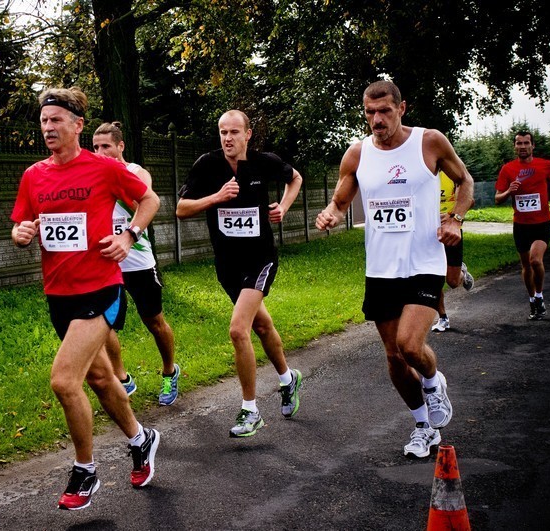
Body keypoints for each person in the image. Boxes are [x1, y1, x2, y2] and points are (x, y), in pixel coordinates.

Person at [11, 87, 161, 511]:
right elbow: (22, 223)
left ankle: (85, 471)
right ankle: (141, 439)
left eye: (56, 120)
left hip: (101, 288)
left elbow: (150, 199)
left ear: (77, 125)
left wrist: (128, 235)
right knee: (98, 378)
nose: (48, 128)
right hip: (58, 293)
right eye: (43, 121)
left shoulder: (103, 168)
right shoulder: (34, 175)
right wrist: (21, 233)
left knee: (63, 380)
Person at [315, 80, 473, 458]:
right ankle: (423, 426)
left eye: (384, 111)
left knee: (409, 344)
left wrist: (456, 218)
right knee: (394, 358)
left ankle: (434, 383)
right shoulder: (357, 155)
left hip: (424, 262)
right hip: (381, 268)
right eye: (370, 113)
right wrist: (331, 214)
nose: (376, 120)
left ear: (402, 109)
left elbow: (464, 180)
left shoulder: (429, 142)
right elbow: (340, 200)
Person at [176, 109, 304, 438]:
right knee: (260, 324)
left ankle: (251, 410)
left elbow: (296, 178)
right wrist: (216, 197)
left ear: (248, 134)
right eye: (223, 132)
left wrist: (284, 207)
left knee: (238, 330)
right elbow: (181, 209)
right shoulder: (207, 164)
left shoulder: (265, 162)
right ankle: (289, 379)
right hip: (227, 265)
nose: (228, 138)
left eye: (234, 132)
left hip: (260, 259)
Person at [92, 121, 180, 406]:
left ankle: (170, 371)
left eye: (106, 146)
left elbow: (143, 203)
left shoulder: (136, 172)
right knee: (103, 326)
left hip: (138, 260)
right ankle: (122, 379)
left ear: (120, 146)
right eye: (95, 147)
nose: (100, 152)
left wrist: (114, 182)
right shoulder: (90, 176)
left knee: (154, 321)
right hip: (106, 264)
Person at [494, 130, 550, 321]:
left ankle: (540, 295)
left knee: (536, 260)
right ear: (514, 146)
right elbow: (497, 198)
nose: (523, 147)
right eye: (519, 143)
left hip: (542, 222)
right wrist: (509, 190)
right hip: (521, 225)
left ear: (533, 146)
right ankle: (532, 298)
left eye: (527, 143)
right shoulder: (508, 169)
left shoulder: (545, 165)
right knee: (526, 265)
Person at [431, 170, 475, 332]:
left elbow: (470, 200)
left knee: (452, 282)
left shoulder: (452, 173)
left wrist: (452, 216)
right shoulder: (419, 172)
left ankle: (461, 273)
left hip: (450, 231)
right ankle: (443, 318)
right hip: (427, 233)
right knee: (432, 278)